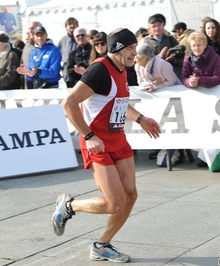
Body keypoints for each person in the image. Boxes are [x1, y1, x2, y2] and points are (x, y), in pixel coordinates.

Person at [51, 28, 161, 263]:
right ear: (119, 49)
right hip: (97, 143)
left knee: (130, 196)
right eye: (131, 48)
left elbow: (118, 102)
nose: (135, 52)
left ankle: (102, 245)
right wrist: (89, 136)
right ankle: (69, 206)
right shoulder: (100, 69)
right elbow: (68, 104)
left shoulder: (123, 68)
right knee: (115, 203)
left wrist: (141, 119)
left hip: (117, 139)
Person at [143, 14, 182, 78]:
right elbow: (142, 61)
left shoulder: (171, 39)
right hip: (155, 77)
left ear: (163, 25)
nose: (157, 28)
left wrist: (174, 59)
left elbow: (181, 59)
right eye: (153, 26)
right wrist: (158, 57)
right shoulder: (145, 42)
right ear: (149, 28)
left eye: (159, 25)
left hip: (171, 76)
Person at [57, 17, 79, 86]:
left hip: (80, 73)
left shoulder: (82, 38)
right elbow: (57, 55)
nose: (72, 25)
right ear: (66, 27)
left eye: (74, 24)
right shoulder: (63, 40)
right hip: (68, 73)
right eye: (70, 24)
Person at [21, 21, 42, 89]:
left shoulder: (46, 46)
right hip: (28, 84)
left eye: (33, 28)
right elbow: (22, 63)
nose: (30, 31)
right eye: (29, 28)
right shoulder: (27, 46)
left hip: (41, 85)